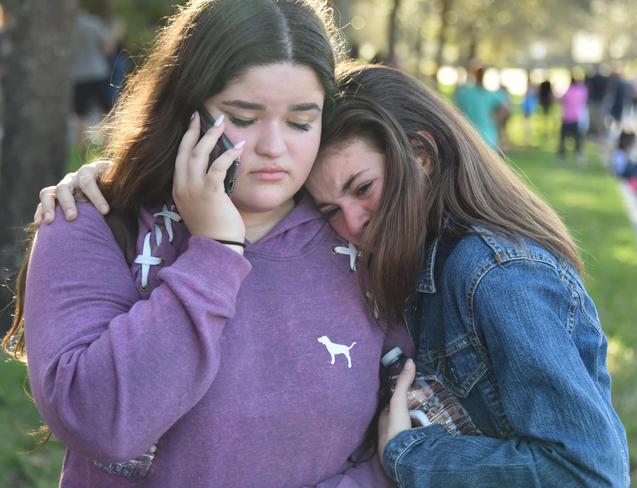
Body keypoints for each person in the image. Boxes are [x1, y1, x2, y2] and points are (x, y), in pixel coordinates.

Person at [37, 63, 631, 487]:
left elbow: (590, 471)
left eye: (364, 190)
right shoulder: (403, 255)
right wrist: (118, 177)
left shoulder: (494, 276)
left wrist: (408, 457)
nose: (350, 224)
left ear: (421, 158)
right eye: (327, 209)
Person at [3, 2, 406, 487]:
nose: (274, 147)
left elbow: (416, 424)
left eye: (301, 122)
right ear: (184, 110)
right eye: (243, 116)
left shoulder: (361, 233)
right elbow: (100, 422)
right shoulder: (92, 221)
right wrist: (214, 253)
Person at [71, 4, 115, 144]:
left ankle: (82, 147)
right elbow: (108, 49)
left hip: (78, 74)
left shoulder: (67, 28)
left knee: (80, 114)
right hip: (98, 72)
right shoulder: (94, 23)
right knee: (106, 110)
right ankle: (109, 143)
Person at [453, 63, 509, 151]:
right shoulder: (489, 94)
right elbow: (506, 106)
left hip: (469, 135)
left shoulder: (464, 93)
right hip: (488, 137)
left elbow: (456, 109)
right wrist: (495, 118)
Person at [558, 75, 589, 163]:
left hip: (566, 117)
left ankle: (562, 154)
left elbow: (561, 100)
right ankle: (578, 154)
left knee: (563, 138)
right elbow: (584, 100)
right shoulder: (582, 91)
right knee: (578, 138)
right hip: (577, 118)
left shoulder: (568, 91)